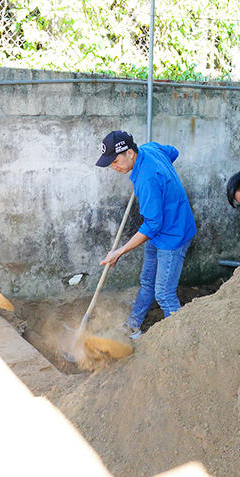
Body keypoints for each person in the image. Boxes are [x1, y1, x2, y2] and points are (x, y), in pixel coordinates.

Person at [99, 131, 196, 339]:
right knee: (147, 280)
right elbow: (173, 152)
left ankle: (183, 341)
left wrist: (119, 252)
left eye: (115, 161)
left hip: (173, 234)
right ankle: (133, 325)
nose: (114, 167)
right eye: (111, 163)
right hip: (160, 230)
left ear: (131, 153)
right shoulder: (150, 149)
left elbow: (152, 224)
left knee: (164, 293)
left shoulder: (146, 179)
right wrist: (164, 178)